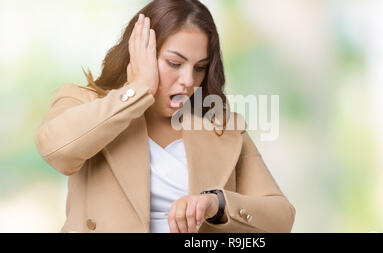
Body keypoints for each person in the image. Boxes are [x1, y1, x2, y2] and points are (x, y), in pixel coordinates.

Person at [34, 0, 295, 233]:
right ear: (139, 53)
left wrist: (216, 204)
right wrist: (139, 89)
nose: (188, 80)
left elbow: (282, 218)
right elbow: (56, 151)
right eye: (174, 63)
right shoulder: (84, 102)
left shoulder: (222, 127)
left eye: (200, 68)